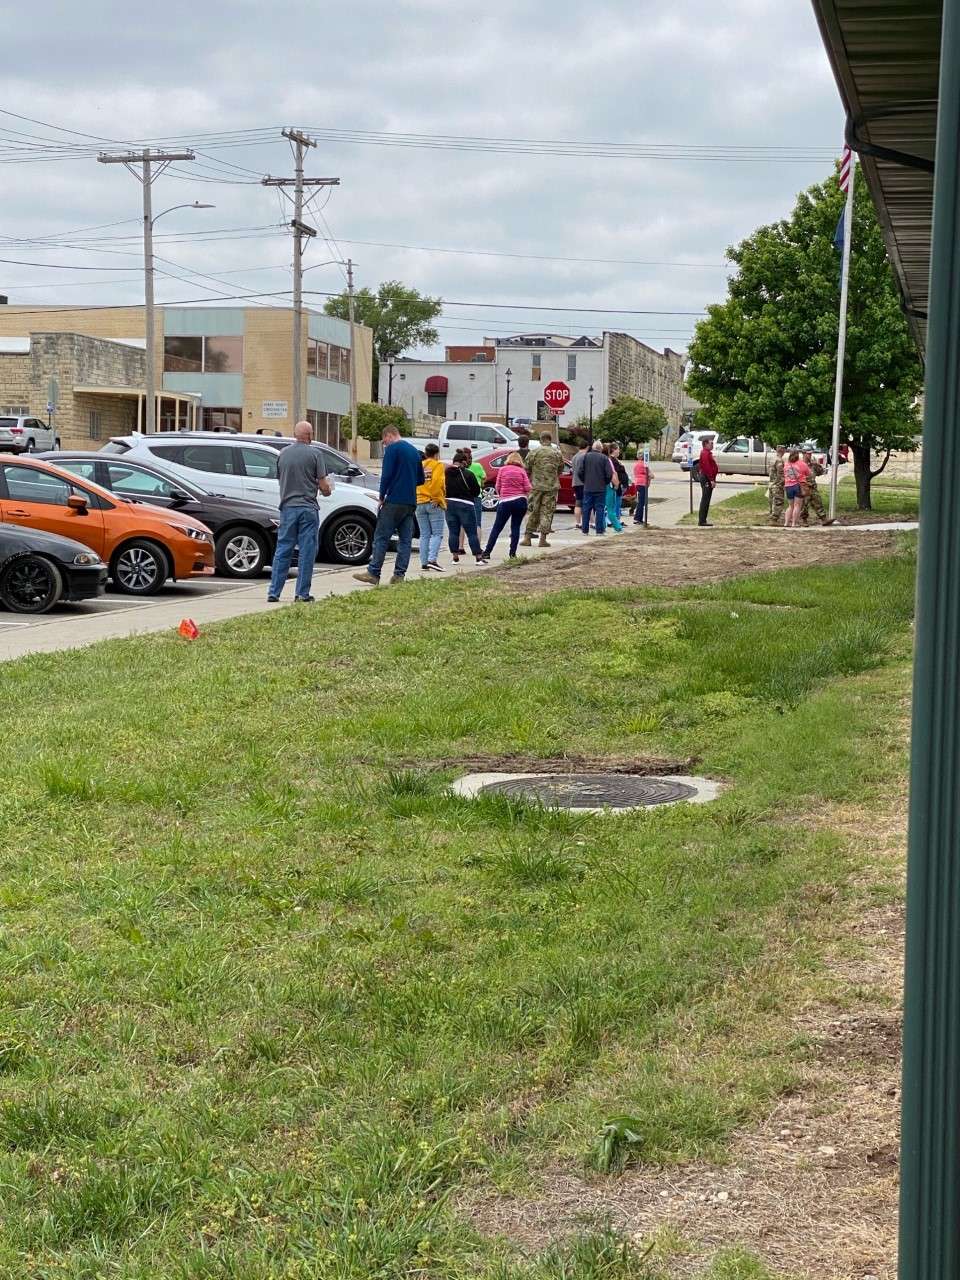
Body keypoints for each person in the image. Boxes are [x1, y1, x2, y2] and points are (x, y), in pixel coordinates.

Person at [267, 420, 332, 603]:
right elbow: (323, 484)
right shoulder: (315, 454)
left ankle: (274, 592)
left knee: (283, 550)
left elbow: (280, 479)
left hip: (287, 508)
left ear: (296, 434)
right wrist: (327, 490)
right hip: (308, 508)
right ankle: (301, 593)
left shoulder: (283, 454)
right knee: (307, 551)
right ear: (310, 435)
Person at [353, 425, 424, 585]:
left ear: (390, 435)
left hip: (393, 500)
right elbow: (421, 479)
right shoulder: (414, 451)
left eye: (384, 440)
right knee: (405, 540)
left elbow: (386, 475)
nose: (384, 444)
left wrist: (382, 496)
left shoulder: (392, 450)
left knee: (381, 537)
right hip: (410, 502)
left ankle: (373, 572)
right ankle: (399, 575)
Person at [483, 451, 531, 560]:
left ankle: (487, 552)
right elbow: (528, 488)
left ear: (508, 459)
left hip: (505, 501)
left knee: (497, 527)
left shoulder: (502, 470)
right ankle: (512, 553)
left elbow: (497, 486)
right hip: (520, 501)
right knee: (515, 527)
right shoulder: (522, 471)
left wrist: (502, 495)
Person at [521, 431, 564, 547]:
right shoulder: (557, 453)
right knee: (547, 511)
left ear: (541, 440)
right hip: (551, 486)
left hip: (535, 485)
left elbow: (527, 468)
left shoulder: (534, 452)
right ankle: (543, 539)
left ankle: (527, 538)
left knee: (532, 510)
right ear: (550, 439)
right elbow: (560, 469)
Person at [444, 450, 487, 563]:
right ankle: (478, 557)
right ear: (463, 462)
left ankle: (455, 556)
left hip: (449, 503)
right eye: (467, 461)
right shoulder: (468, 473)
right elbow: (476, 490)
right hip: (466, 504)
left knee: (453, 532)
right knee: (471, 532)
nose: (468, 463)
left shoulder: (445, 473)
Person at [416, 442, 446, 571]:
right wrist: (437, 498)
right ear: (436, 454)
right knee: (437, 534)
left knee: (424, 535)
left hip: (419, 501)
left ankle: (424, 562)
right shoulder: (438, 465)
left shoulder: (420, 465)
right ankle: (432, 559)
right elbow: (437, 483)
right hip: (433, 502)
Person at [581, 440, 615, 535]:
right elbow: (609, 474)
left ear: (593, 447)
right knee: (599, 509)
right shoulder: (604, 458)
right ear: (601, 449)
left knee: (586, 509)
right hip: (600, 488)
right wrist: (605, 482)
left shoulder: (586, 457)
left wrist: (585, 481)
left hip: (588, 487)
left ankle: (585, 530)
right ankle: (599, 531)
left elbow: (580, 471)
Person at [457, 447, 487, 554]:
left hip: (463, 497)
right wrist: (481, 484)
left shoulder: (458, 467)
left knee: (462, 523)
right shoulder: (477, 466)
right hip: (476, 496)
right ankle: (477, 548)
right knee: (477, 523)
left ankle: (460, 547)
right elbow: (484, 478)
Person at [799, 448, 836, 526]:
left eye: (810, 454)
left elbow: (821, 472)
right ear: (803, 454)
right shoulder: (800, 464)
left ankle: (824, 519)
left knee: (818, 502)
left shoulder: (812, 465)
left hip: (813, 487)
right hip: (804, 487)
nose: (810, 455)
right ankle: (804, 520)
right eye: (808, 454)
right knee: (804, 505)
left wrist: (817, 465)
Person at [782, 450, 811, 528]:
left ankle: (786, 523)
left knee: (790, 506)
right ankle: (794, 523)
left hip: (788, 486)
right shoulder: (802, 464)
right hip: (798, 486)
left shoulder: (786, 464)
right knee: (797, 505)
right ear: (798, 455)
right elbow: (809, 473)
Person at [696, 437, 718, 526]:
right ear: (706, 444)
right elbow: (707, 467)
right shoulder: (705, 453)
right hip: (706, 478)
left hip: (708, 478)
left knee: (707, 499)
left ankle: (703, 520)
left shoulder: (708, 453)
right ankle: (702, 521)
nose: (712, 445)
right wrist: (711, 479)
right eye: (711, 443)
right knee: (705, 499)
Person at [605, 444, 627, 532]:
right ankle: (616, 525)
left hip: (615, 486)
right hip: (613, 486)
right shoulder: (610, 460)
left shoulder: (613, 460)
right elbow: (614, 473)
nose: (619, 451)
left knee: (614, 506)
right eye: (618, 449)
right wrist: (617, 484)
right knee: (612, 507)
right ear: (613, 450)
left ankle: (615, 523)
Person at [571, 440, 590, 530]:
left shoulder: (574, 457)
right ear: (587, 447)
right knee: (587, 503)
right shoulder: (585, 456)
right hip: (583, 482)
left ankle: (578, 523)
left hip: (575, 482)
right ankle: (590, 522)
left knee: (578, 503)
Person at [767, 445, 787, 525]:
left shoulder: (772, 459)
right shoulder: (779, 461)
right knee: (778, 502)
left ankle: (771, 517)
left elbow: (770, 471)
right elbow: (781, 474)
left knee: (772, 502)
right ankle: (774, 520)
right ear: (783, 451)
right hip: (777, 485)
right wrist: (783, 483)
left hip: (771, 483)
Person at [633, 452, 653, 525]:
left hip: (637, 483)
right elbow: (650, 475)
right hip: (643, 484)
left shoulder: (637, 464)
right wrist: (651, 476)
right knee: (642, 502)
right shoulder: (643, 465)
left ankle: (638, 518)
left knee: (640, 501)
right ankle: (638, 519)